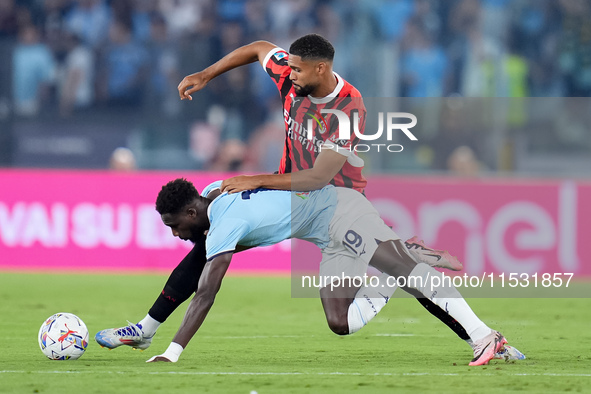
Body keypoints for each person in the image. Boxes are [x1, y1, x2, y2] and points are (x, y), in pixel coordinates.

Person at [94, 34, 512, 360]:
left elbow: (317, 177)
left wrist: (253, 179)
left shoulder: (348, 109)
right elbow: (258, 48)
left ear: (321, 68)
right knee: (208, 248)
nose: (288, 75)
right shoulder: (292, 75)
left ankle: (483, 336)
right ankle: (146, 329)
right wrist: (207, 75)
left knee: (402, 272)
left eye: (296, 70)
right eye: (288, 67)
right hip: (292, 198)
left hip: (336, 202)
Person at [130, 178, 517, 366]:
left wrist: (173, 352)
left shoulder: (224, 224)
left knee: (411, 277)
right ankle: (406, 264)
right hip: (324, 234)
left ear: (193, 213)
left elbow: (206, 294)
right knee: (339, 322)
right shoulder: (216, 190)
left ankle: (483, 336)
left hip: (340, 211)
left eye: (175, 225)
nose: (177, 234)